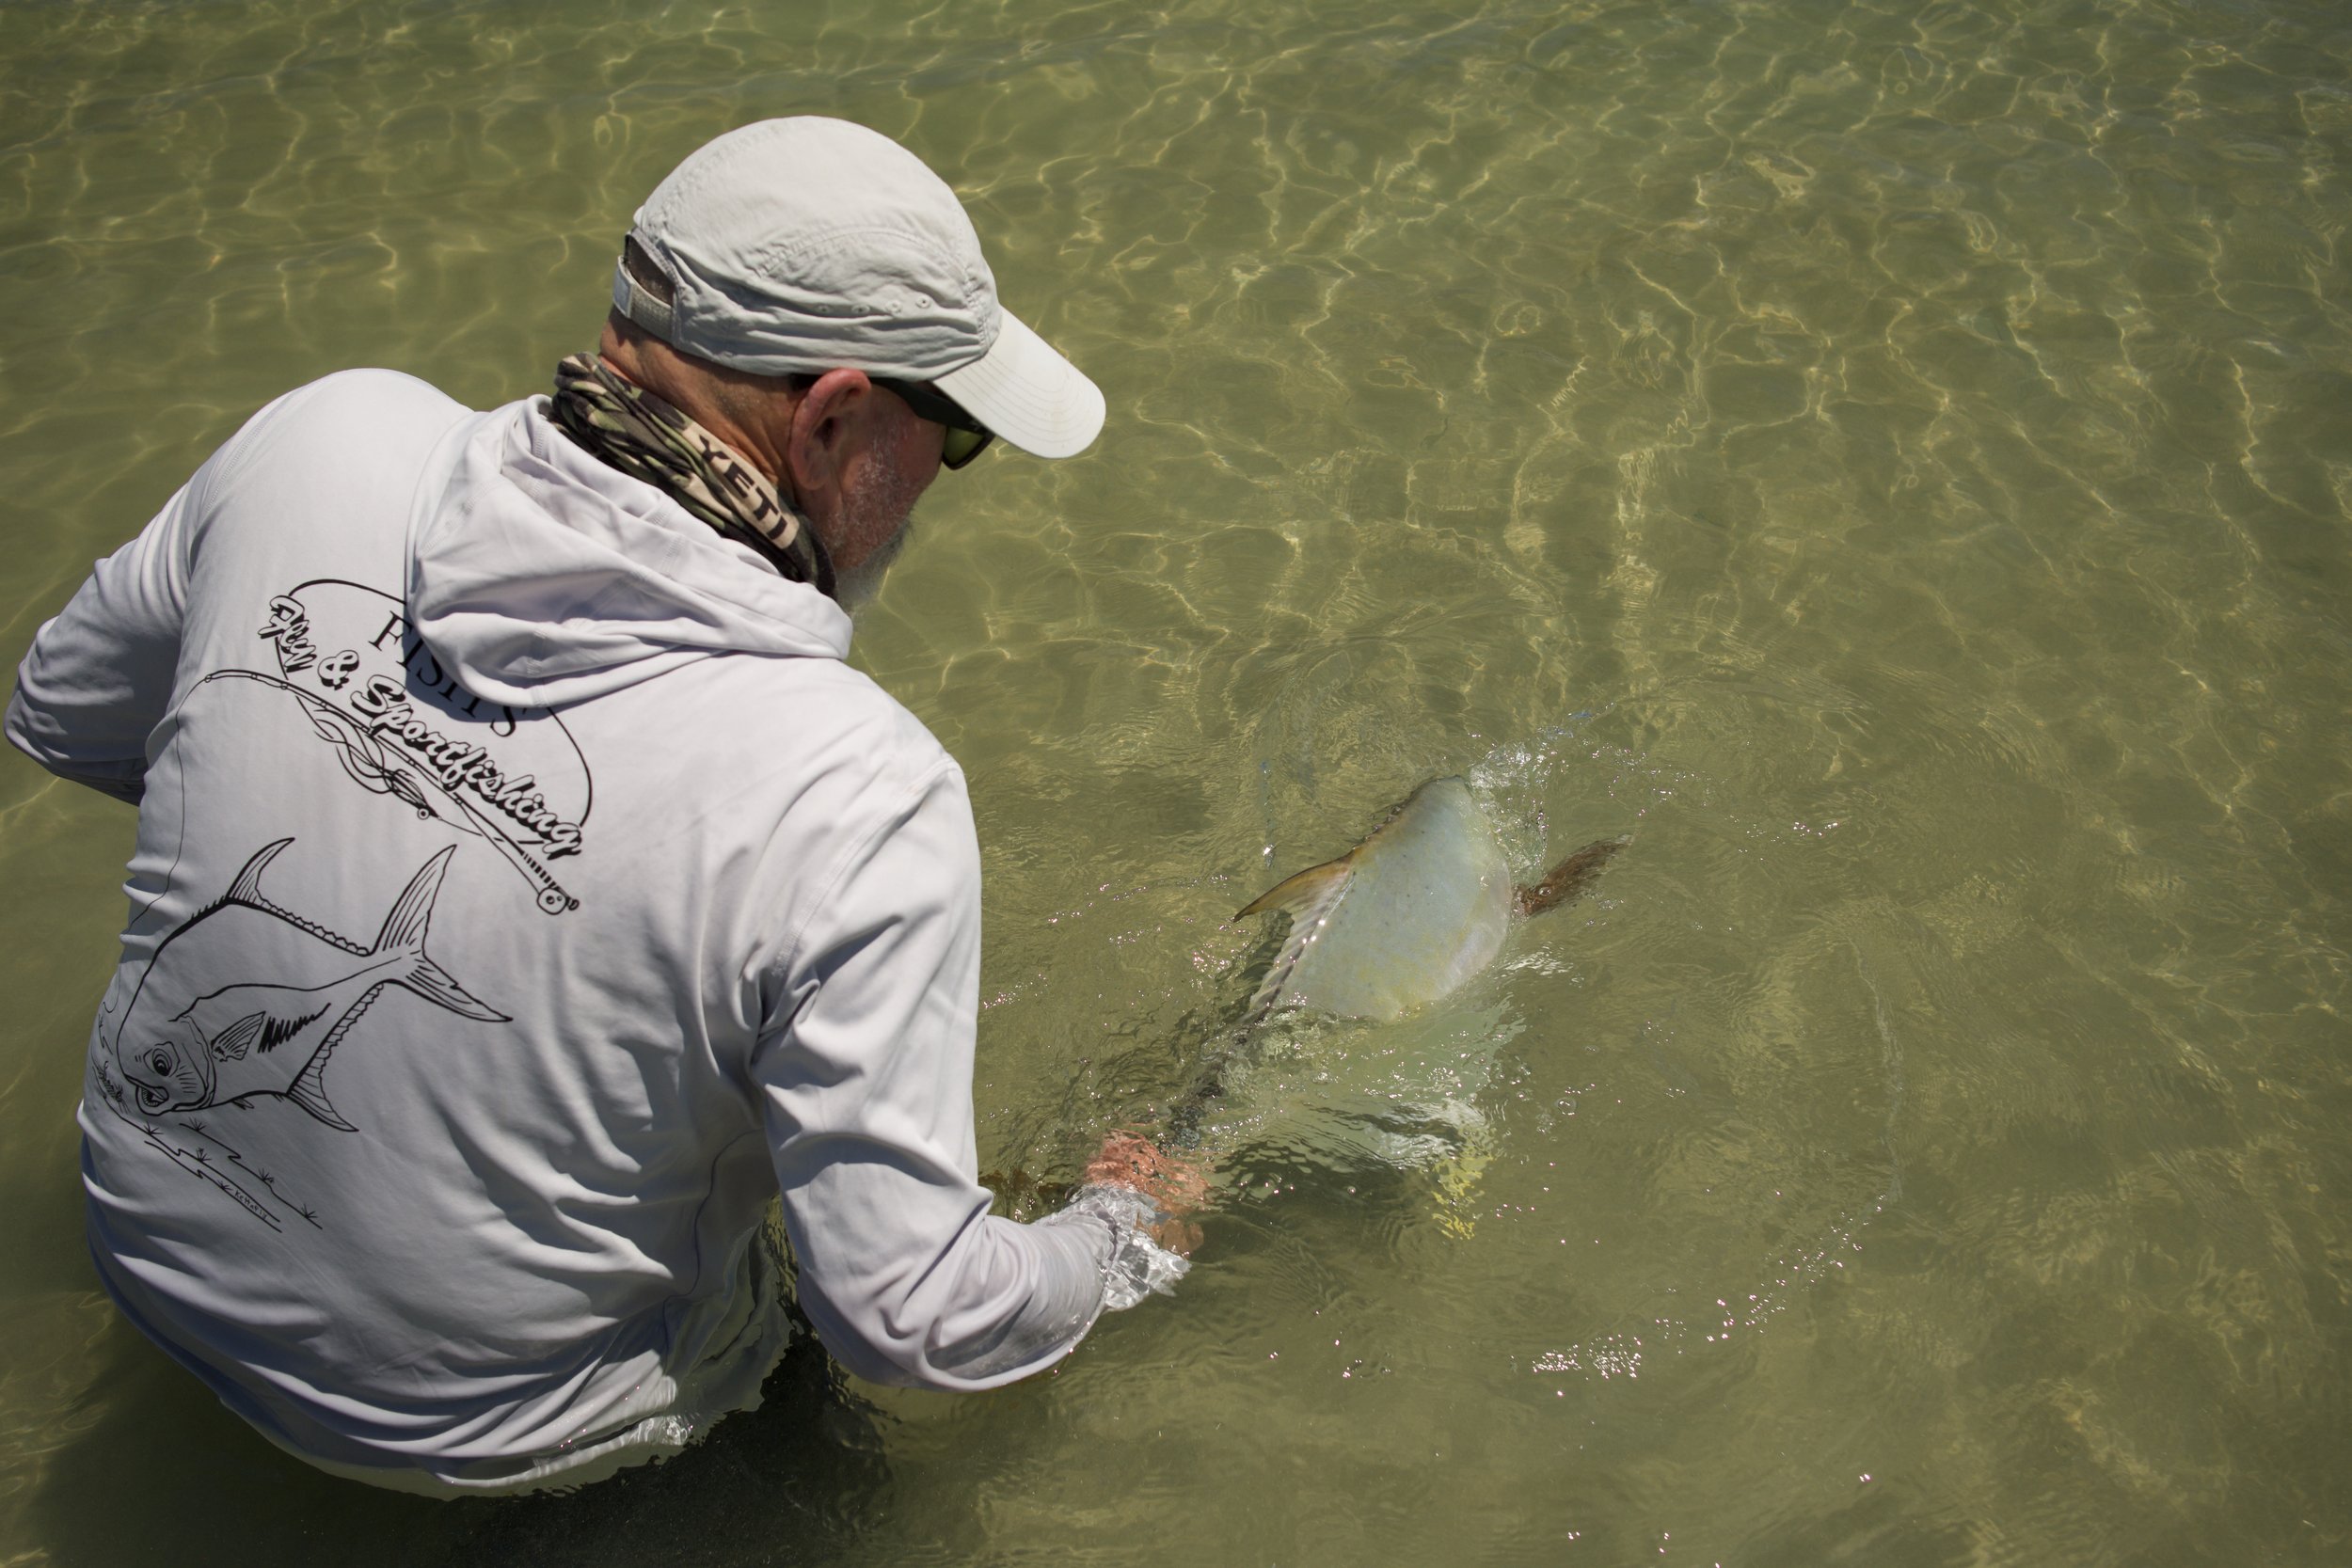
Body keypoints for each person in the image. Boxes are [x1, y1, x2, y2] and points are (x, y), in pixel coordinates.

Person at [5, 117, 1200, 1497]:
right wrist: (1123, 1229)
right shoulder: (859, 791)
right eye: (959, 436)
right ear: (830, 422)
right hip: (497, 1442)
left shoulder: (320, 436)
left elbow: (66, 713)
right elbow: (913, 1320)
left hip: (141, 1260)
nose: (941, 484)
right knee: (855, 1463)